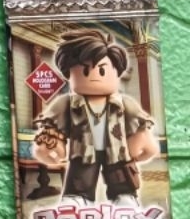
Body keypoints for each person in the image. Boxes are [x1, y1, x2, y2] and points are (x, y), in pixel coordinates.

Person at [33, 28, 157, 207]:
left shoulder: (124, 104)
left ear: (116, 71)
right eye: (84, 71)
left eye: (102, 71)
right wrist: (50, 143)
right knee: (78, 184)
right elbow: (51, 130)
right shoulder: (66, 104)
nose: (93, 77)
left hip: (117, 154)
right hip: (82, 153)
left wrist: (142, 140)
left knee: (122, 184)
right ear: (69, 74)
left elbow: (140, 128)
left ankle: (124, 196)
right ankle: (76, 198)